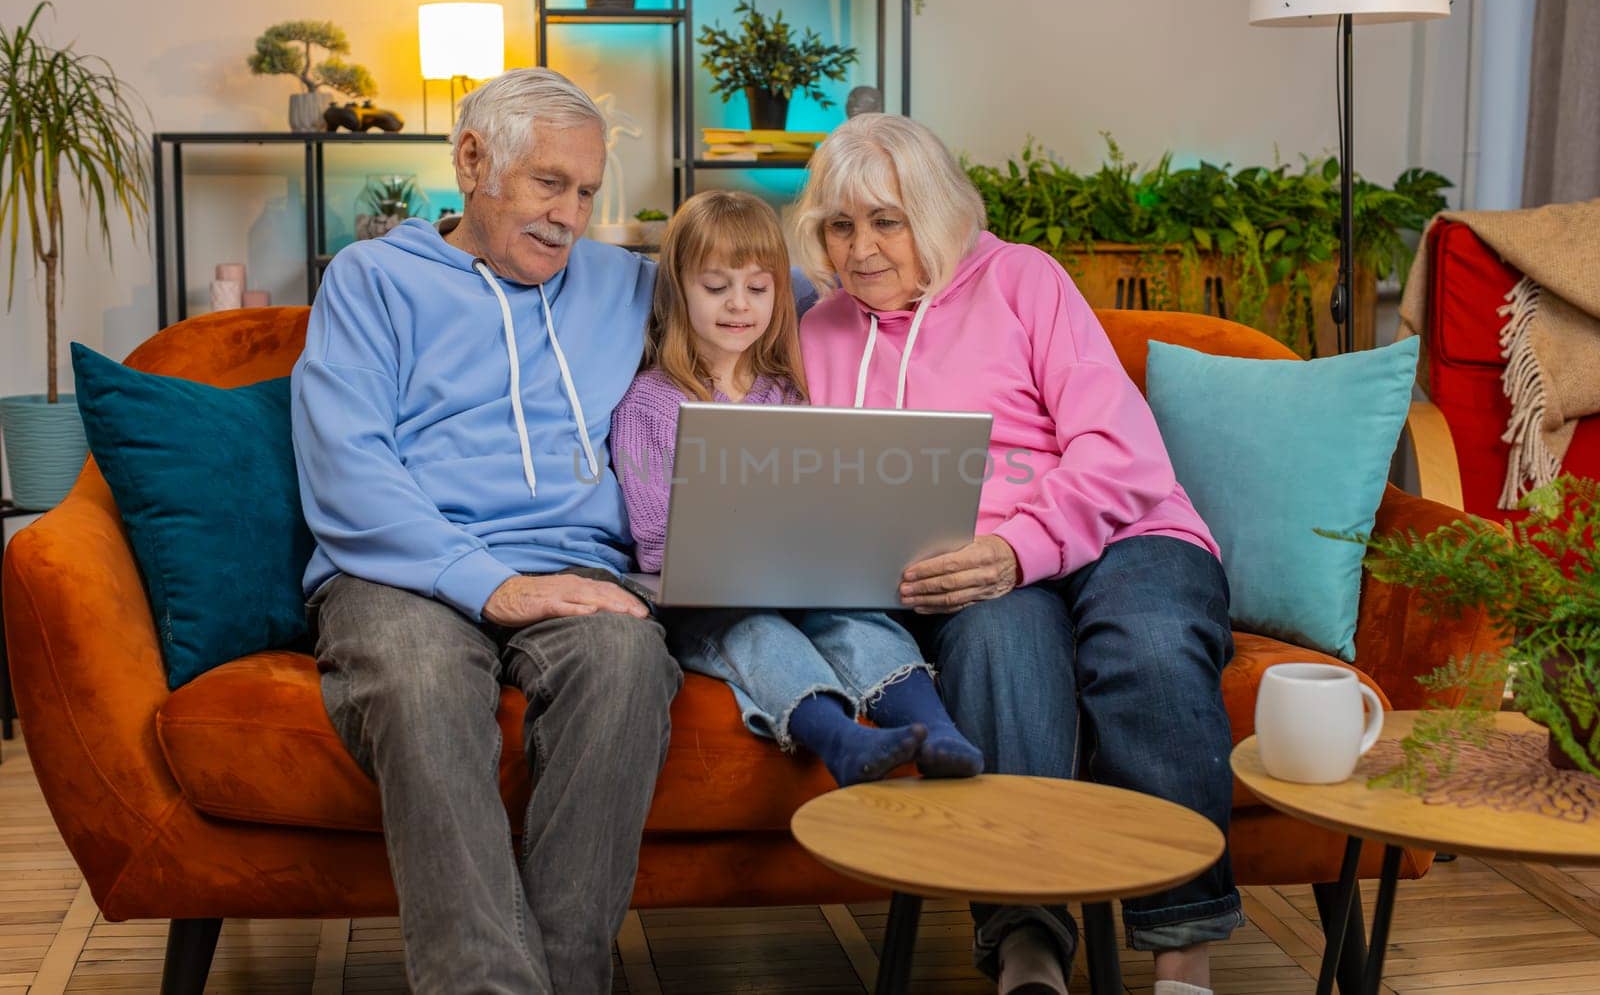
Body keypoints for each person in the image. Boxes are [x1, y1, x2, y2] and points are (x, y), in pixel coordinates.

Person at [794, 113, 1240, 995]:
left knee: (1146, 648)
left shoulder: (1022, 278)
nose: (862, 248)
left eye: (887, 220)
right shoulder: (819, 331)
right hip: (974, 574)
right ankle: (1027, 942)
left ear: (937, 212)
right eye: (840, 226)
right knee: (1000, 649)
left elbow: (1125, 455)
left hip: (1124, 530)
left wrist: (1017, 545)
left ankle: (1185, 953)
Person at [291, 68, 683, 994]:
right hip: (398, 569)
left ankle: (568, 977)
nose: (569, 216)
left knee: (626, 663)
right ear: (472, 160)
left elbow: (777, 286)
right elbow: (346, 466)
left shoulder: (622, 283)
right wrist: (488, 583)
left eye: (587, 193)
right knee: (419, 675)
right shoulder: (371, 280)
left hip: (576, 564)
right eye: (550, 183)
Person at [611, 190, 984, 787]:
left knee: (855, 619)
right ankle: (838, 741)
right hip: (704, 603)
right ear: (679, 289)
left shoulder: (790, 393)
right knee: (757, 630)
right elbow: (656, 542)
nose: (739, 305)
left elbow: (824, 501)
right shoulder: (647, 403)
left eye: (758, 289)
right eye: (716, 287)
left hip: (798, 579)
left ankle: (936, 733)